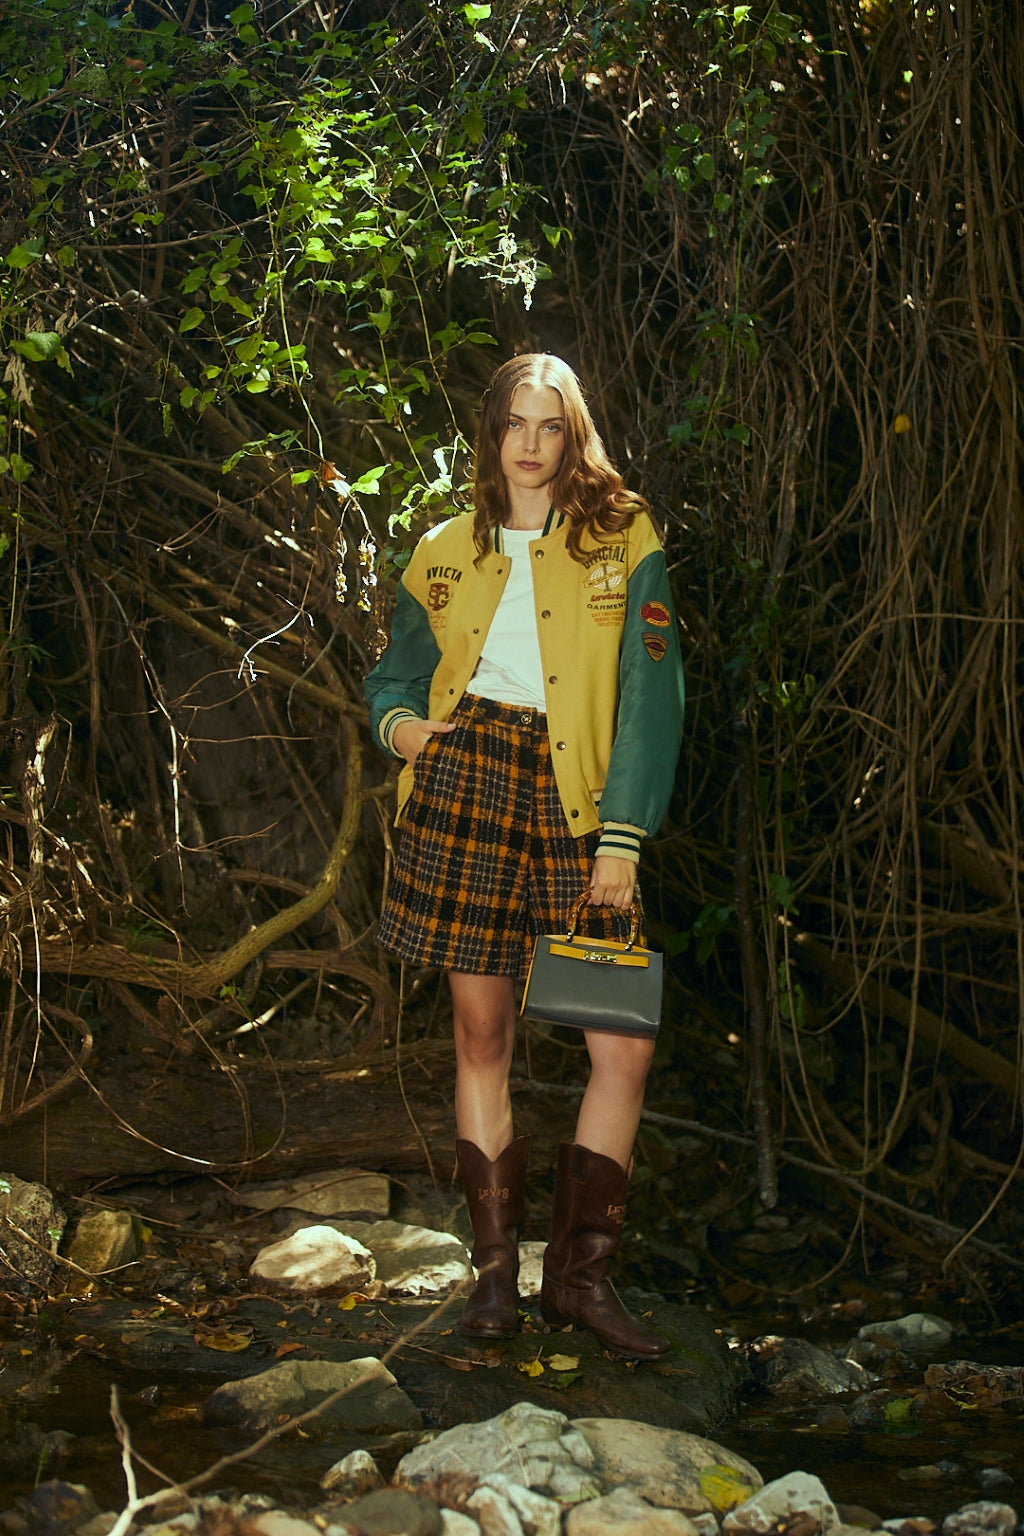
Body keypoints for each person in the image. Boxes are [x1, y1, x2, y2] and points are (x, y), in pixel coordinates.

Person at [364, 353, 684, 1358]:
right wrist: (404, 733)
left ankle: (581, 1282)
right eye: (516, 425)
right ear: (490, 433)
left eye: (551, 425)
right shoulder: (439, 550)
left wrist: (621, 839)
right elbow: (392, 678)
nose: (532, 444)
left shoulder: (621, 536)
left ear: (572, 432)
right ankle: (494, 1278)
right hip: (465, 785)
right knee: (480, 1033)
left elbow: (652, 695)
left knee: (621, 1041)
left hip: (579, 800)